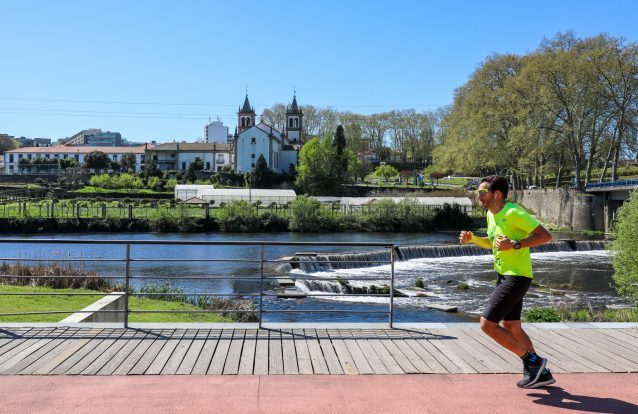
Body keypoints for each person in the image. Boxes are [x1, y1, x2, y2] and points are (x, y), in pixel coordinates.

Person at [459, 175, 555, 388]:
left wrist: (516, 245)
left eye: (482, 193)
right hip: (504, 275)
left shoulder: (513, 212)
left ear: (497, 194)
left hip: (517, 276)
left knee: (487, 324)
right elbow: (493, 243)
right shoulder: (492, 215)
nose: (478, 197)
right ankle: (542, 373)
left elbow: (546, 236)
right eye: (478, 194)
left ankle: (534, 362)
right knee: (512, 325)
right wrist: (473, 239)